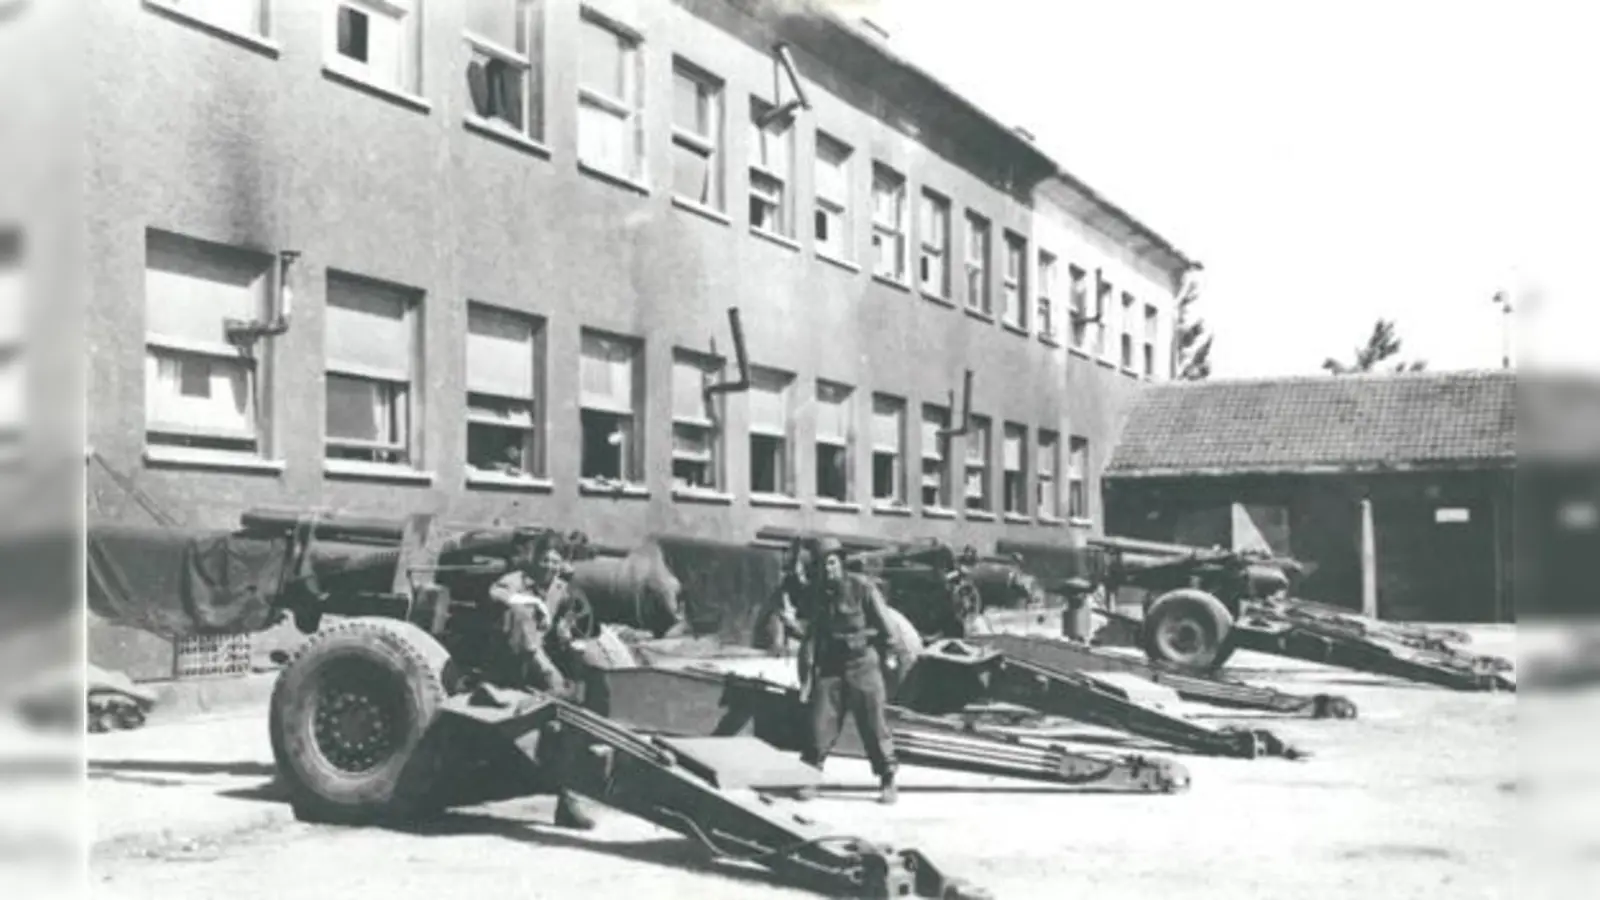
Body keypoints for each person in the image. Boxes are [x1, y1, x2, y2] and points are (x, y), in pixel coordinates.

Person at [485, 528, 595, 831]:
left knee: (577, 714)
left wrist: (567, 632)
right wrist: (534, 603)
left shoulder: (560, 586)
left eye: (555, 561)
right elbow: (496, 594)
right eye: (545, 560)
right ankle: (567, 799)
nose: (549, 566)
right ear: (535, 560)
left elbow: (567, 620)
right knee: (519, 613)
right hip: (513, 663)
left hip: (541, 658)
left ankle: (568, 800)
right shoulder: (519, 580)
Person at [785, 537, 909, 805]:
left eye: (831, 563)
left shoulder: (862, 588)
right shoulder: (818, 595)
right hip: (832, 666)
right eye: (820, 565)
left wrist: (891, 659)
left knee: (874, 724)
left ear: (840, 563)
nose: (827, 570)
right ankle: (810, 776)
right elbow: (812, 636)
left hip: (863, 663)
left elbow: (889, 629)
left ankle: (887, 780)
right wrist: (806, 674)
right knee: (820, 722)